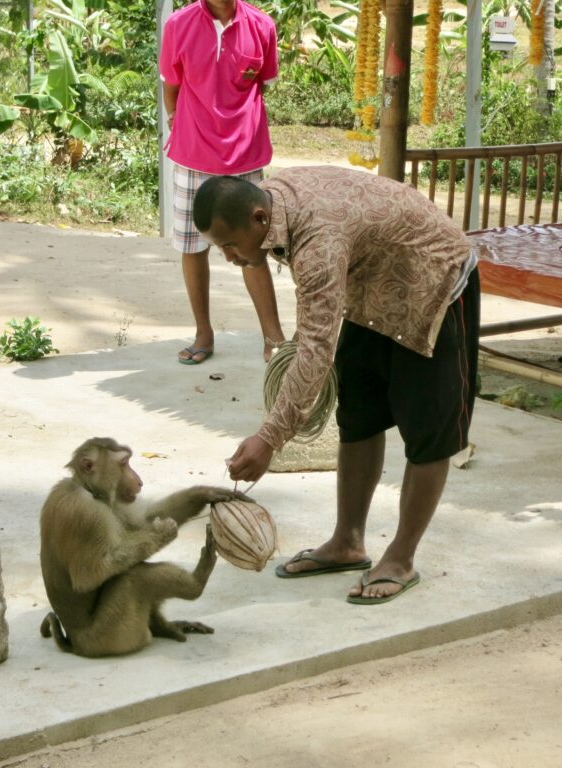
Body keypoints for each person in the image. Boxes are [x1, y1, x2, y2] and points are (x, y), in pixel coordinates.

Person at [193, 166, 480, 604]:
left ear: (258, 219)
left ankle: (400, 558)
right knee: (359, 412)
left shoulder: (317, 242)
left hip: (433, 279)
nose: (230, 258)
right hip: (371, 282)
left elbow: (315, 348)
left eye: (230, 245)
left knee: (429, 431)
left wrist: (269, 438)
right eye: (221, 249)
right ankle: (348, 542)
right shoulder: (271, 204)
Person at [159, 0, 286, 365]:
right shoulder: (178, 25)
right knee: (192, 245)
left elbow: (261, 86)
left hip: (244, 155)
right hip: (191, 154)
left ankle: (273, 338)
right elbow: (172, 86)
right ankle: (204, 333)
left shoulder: (262, 26)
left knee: (253, 248)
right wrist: (177, 120)